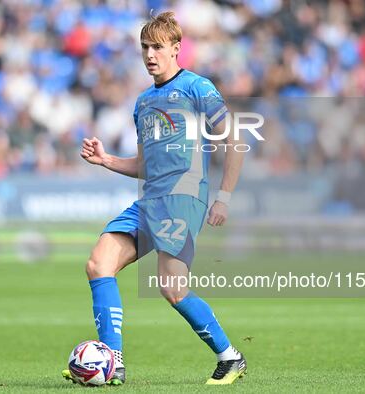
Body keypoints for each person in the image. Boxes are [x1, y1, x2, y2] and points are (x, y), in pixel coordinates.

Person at [62, 11, 246, 385]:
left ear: (176, 49)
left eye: (157, 47)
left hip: (183, 197)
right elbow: (145, 165)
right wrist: (106, 160)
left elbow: (234, 141)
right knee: (99, 264)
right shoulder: (143, 102)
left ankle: (231, 358)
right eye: (145, 47)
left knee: (172, 287)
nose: (149, 54)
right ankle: (112, 360)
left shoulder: (198, 88)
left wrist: (223, 197)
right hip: (150, 200)